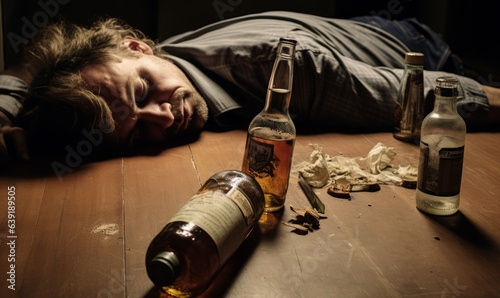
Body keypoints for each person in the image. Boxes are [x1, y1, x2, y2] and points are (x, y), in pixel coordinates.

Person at [0, 11, 498, 164]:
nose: (161, 118)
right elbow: (25, 69)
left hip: (414, 46)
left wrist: (484, 96)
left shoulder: (281, 70)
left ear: (138, 48)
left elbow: (424, 93)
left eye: (142, 93)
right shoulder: (141, 67)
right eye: (134, 135)